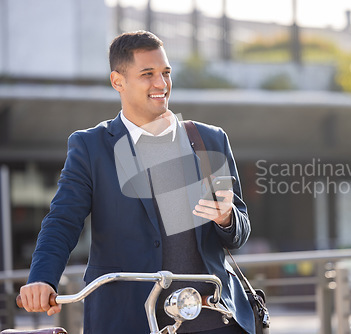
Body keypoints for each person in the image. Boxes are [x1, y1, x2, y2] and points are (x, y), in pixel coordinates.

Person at [19, 30, 254, 334]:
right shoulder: (91, 147)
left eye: (165, 73)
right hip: (129, 319)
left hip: (212, 319)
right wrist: (42, 278)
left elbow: (239, 233)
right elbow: (63, 220)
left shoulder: (209, 139)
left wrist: (226, 219)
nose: (161, 84)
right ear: (118, 81)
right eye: (147, 74)